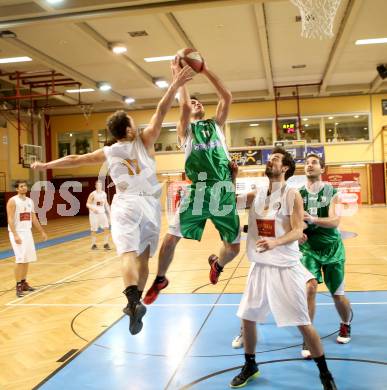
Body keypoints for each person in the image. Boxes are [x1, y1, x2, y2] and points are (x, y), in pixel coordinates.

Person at [32, 63, 193, 334]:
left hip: (127, 203)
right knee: (142, 257)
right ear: (129, 130)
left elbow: (74, 159)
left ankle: (132, 301)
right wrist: (174, 85)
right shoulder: (144, 140)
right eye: (133, 122)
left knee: (127, 253)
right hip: (150, 205)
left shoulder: (109, 151)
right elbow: (161, 110)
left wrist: (46, 165)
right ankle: (137, 301)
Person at [230, 147, 337, 390]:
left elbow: (298, 231)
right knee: (247, 318)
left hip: (285, 267)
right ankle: (250, 364)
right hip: (259, 265)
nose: (271, 161)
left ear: (285, 168)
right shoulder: (257, 193)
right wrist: (233, 178)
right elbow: (230, 202)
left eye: (276, 159)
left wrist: (275, 242)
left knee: (302, 322)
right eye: (270, 159)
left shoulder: (292, 194)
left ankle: (325, 373)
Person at [144, 60, 240, 305]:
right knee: (170, 238)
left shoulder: (216, 125)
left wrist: (204, 69)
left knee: (233, 249)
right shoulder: (185, 129)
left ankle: (217, 264)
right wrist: (179, 76)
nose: (195, 103)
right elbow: (184, 106)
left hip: (223, 190)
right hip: (199, 191)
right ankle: (160, 278)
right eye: (192, 102)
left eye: (199, 102)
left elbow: (226, 96)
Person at [299, 153, 352, 359]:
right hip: (309, 249)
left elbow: (335, 221)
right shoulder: (298, 193)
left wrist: (311, 219)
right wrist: (298, 232)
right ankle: (308, 335)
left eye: (314, 163)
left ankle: (346, 323)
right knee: (310, 287)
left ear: (323, 169)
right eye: (307, 163)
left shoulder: (333, 193)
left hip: (332, 248)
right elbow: (297, 220)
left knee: (337, 295)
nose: (309, 165)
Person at [7, 180, 48, 297]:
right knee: (20, 259)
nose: (24, 187)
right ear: (17, 189)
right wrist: (15, 234)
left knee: (27, 258)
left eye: (25, 185)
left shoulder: (30, 201)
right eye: (21, 186)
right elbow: (10, 219)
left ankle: (24, 282)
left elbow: (33, 218)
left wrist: (42, 231)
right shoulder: (13, 201)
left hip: (27, 232)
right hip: (17, 232)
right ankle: (18, 285)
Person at [86, 180, 111, 250]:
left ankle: (106, 244)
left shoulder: (104, 194)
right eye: (98, 185)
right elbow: (87, 204)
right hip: (94, 214)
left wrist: (110, 212)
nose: (99, 186)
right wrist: (93, 209)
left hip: (102, 213)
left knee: (106, 228)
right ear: (96, 186)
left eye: (100, 185)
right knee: (94, 230)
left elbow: (106, 204)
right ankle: (93, 245)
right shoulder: (92, 194)